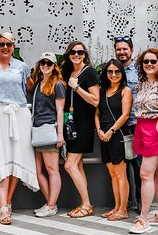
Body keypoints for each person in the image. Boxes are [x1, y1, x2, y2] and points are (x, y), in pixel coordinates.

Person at [0, 32, 38, 225]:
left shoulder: (22, 67)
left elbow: (30, 89)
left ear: (14, 46)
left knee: (15, 160)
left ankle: (7, 201)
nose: (5, 47)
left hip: (18, 115)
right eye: (2, 44)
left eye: (9, 44)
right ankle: (3, 204)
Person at [128, 48, 158, 234]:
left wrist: (155, 135)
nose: (149, 64)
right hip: (142, 127)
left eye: (153, 61)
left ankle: (143, 218)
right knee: (155, 174)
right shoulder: (143, 83)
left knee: (145, 174)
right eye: (145, 61)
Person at [60, 41, 100, 218]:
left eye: (80, 52)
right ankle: (85, 203)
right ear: (68, 55)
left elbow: (95, 100)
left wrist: (77, 87)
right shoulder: (69, 72)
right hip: (71, 123)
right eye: (73, 52)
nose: (77, 55)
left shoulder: (89, 72)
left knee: (69, 165)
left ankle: (86, 204)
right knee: (78, 165)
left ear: (84, 55)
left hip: (84, 124)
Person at [27, 52, 66, 218]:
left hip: (49, 129)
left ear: (54, 66)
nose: (45, 66)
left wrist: (60, 134)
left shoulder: (57, 84)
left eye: (49, 63)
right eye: (43, 62)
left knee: (52, 169)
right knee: (37, 170)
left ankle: (50, 205)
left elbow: (60, 111)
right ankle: (51, 203)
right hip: (37, 131)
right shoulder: (38, 83)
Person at [96, 58, 133, 221]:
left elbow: (125, 115)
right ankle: (116, 207)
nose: (113, 74)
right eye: (110, 71)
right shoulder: (102, 90)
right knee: (112, 174)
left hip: (117, 134)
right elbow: (96, 114)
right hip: (103, 135)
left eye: (117, 71)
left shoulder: (125, 91)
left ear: (122, 73)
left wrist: (111, 131)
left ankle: (123, 210)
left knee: (120, 173)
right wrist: (99, 130)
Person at [114, 36, 142, 212]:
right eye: (118, 49)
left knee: (138, 164)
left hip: (135, 123)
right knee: (122, 165)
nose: (122, 52)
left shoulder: (139, 71)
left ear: (131, 50)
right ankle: (126, 201)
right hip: (118, 125)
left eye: (125, 49)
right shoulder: (112, 71)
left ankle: (139, 200)